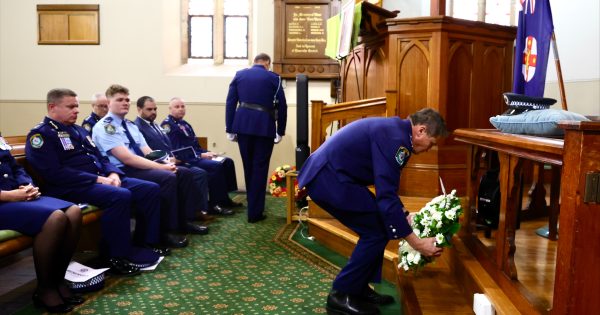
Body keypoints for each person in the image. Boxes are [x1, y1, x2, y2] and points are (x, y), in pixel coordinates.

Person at [298, 109, 448, 315]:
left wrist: (404, 215)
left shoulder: (397, 132)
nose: (429, 148)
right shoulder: (397, 140)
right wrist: (418, 243)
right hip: (328, 178)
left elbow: (386, 187)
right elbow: (385, 196)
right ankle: (341, 294)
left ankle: (359, 289)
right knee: (376, 231)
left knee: (378, 226)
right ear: (421, 131)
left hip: (333, 175)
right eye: (431, 143)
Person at [26, 88, 166, 277]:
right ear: (52, 107)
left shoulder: (78, 130)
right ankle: (114, 256)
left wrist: (113, 173)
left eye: (76, 106)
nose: (76, 110)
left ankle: (144, 243)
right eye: (71, 106)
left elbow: (100, 157)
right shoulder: (41, 135)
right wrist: (98, 179)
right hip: (71, 187)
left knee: (149, 189)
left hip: (100, 180)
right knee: (120, 196)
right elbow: (54, 173)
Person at [92, 84, 208, 249]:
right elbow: (128, 159)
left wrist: (166, 162)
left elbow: (148, 152)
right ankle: (165, 231)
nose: (125, 103)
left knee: (184, 173)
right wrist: (161, 168)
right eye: (119, 99)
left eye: (127, 99)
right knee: (167, 177)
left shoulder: (131, 126)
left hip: (141, 166)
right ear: (109, 103)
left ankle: (184, 221)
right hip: (122, 171)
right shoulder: (106, 127)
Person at [0, 140, 82, 313]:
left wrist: (27, 186)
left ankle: (58, 280)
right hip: (3, 202)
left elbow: (15, 167)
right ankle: (45, 289)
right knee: (55, 218)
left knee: (74, 212)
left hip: (18, 196)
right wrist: (9, 195)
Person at [225, 53, 287, 223]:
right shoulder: (274, 78)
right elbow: (282, 106)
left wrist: (229, 128)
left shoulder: (240, 75)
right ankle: (255, 212)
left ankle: (253, 206)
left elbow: (230, 102)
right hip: (264, 126)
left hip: (242, 125)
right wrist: (280, 130)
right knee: (260, 168)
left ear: (254, 62)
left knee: (248, 166)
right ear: (268, 63)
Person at [133, 95, 216, 220]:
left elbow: (168, 145)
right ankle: (192, 213)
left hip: (171, 160)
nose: (153, 112)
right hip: (157, 165)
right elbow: (146, 153)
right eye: (149, 109)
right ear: (139, 109)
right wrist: (168, 161)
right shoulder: (138, 126)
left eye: (155, 109)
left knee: (198, 172)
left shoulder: (154, 124)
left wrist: (175, 157)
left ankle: (198, 210)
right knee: (194, 173)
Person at [161, 97, 239, 214]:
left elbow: (195, 145)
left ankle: (224, 198)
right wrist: (201, 155)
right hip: (187, 160)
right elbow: (178, 151)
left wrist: (208, 152)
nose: (181, 109)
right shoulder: (168, 125)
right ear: (170, 109)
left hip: (196, 155)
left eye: (183, 106)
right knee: (215, 166)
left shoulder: (184, 123)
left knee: (227, 161)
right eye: (177, 107)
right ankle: (214, 204)